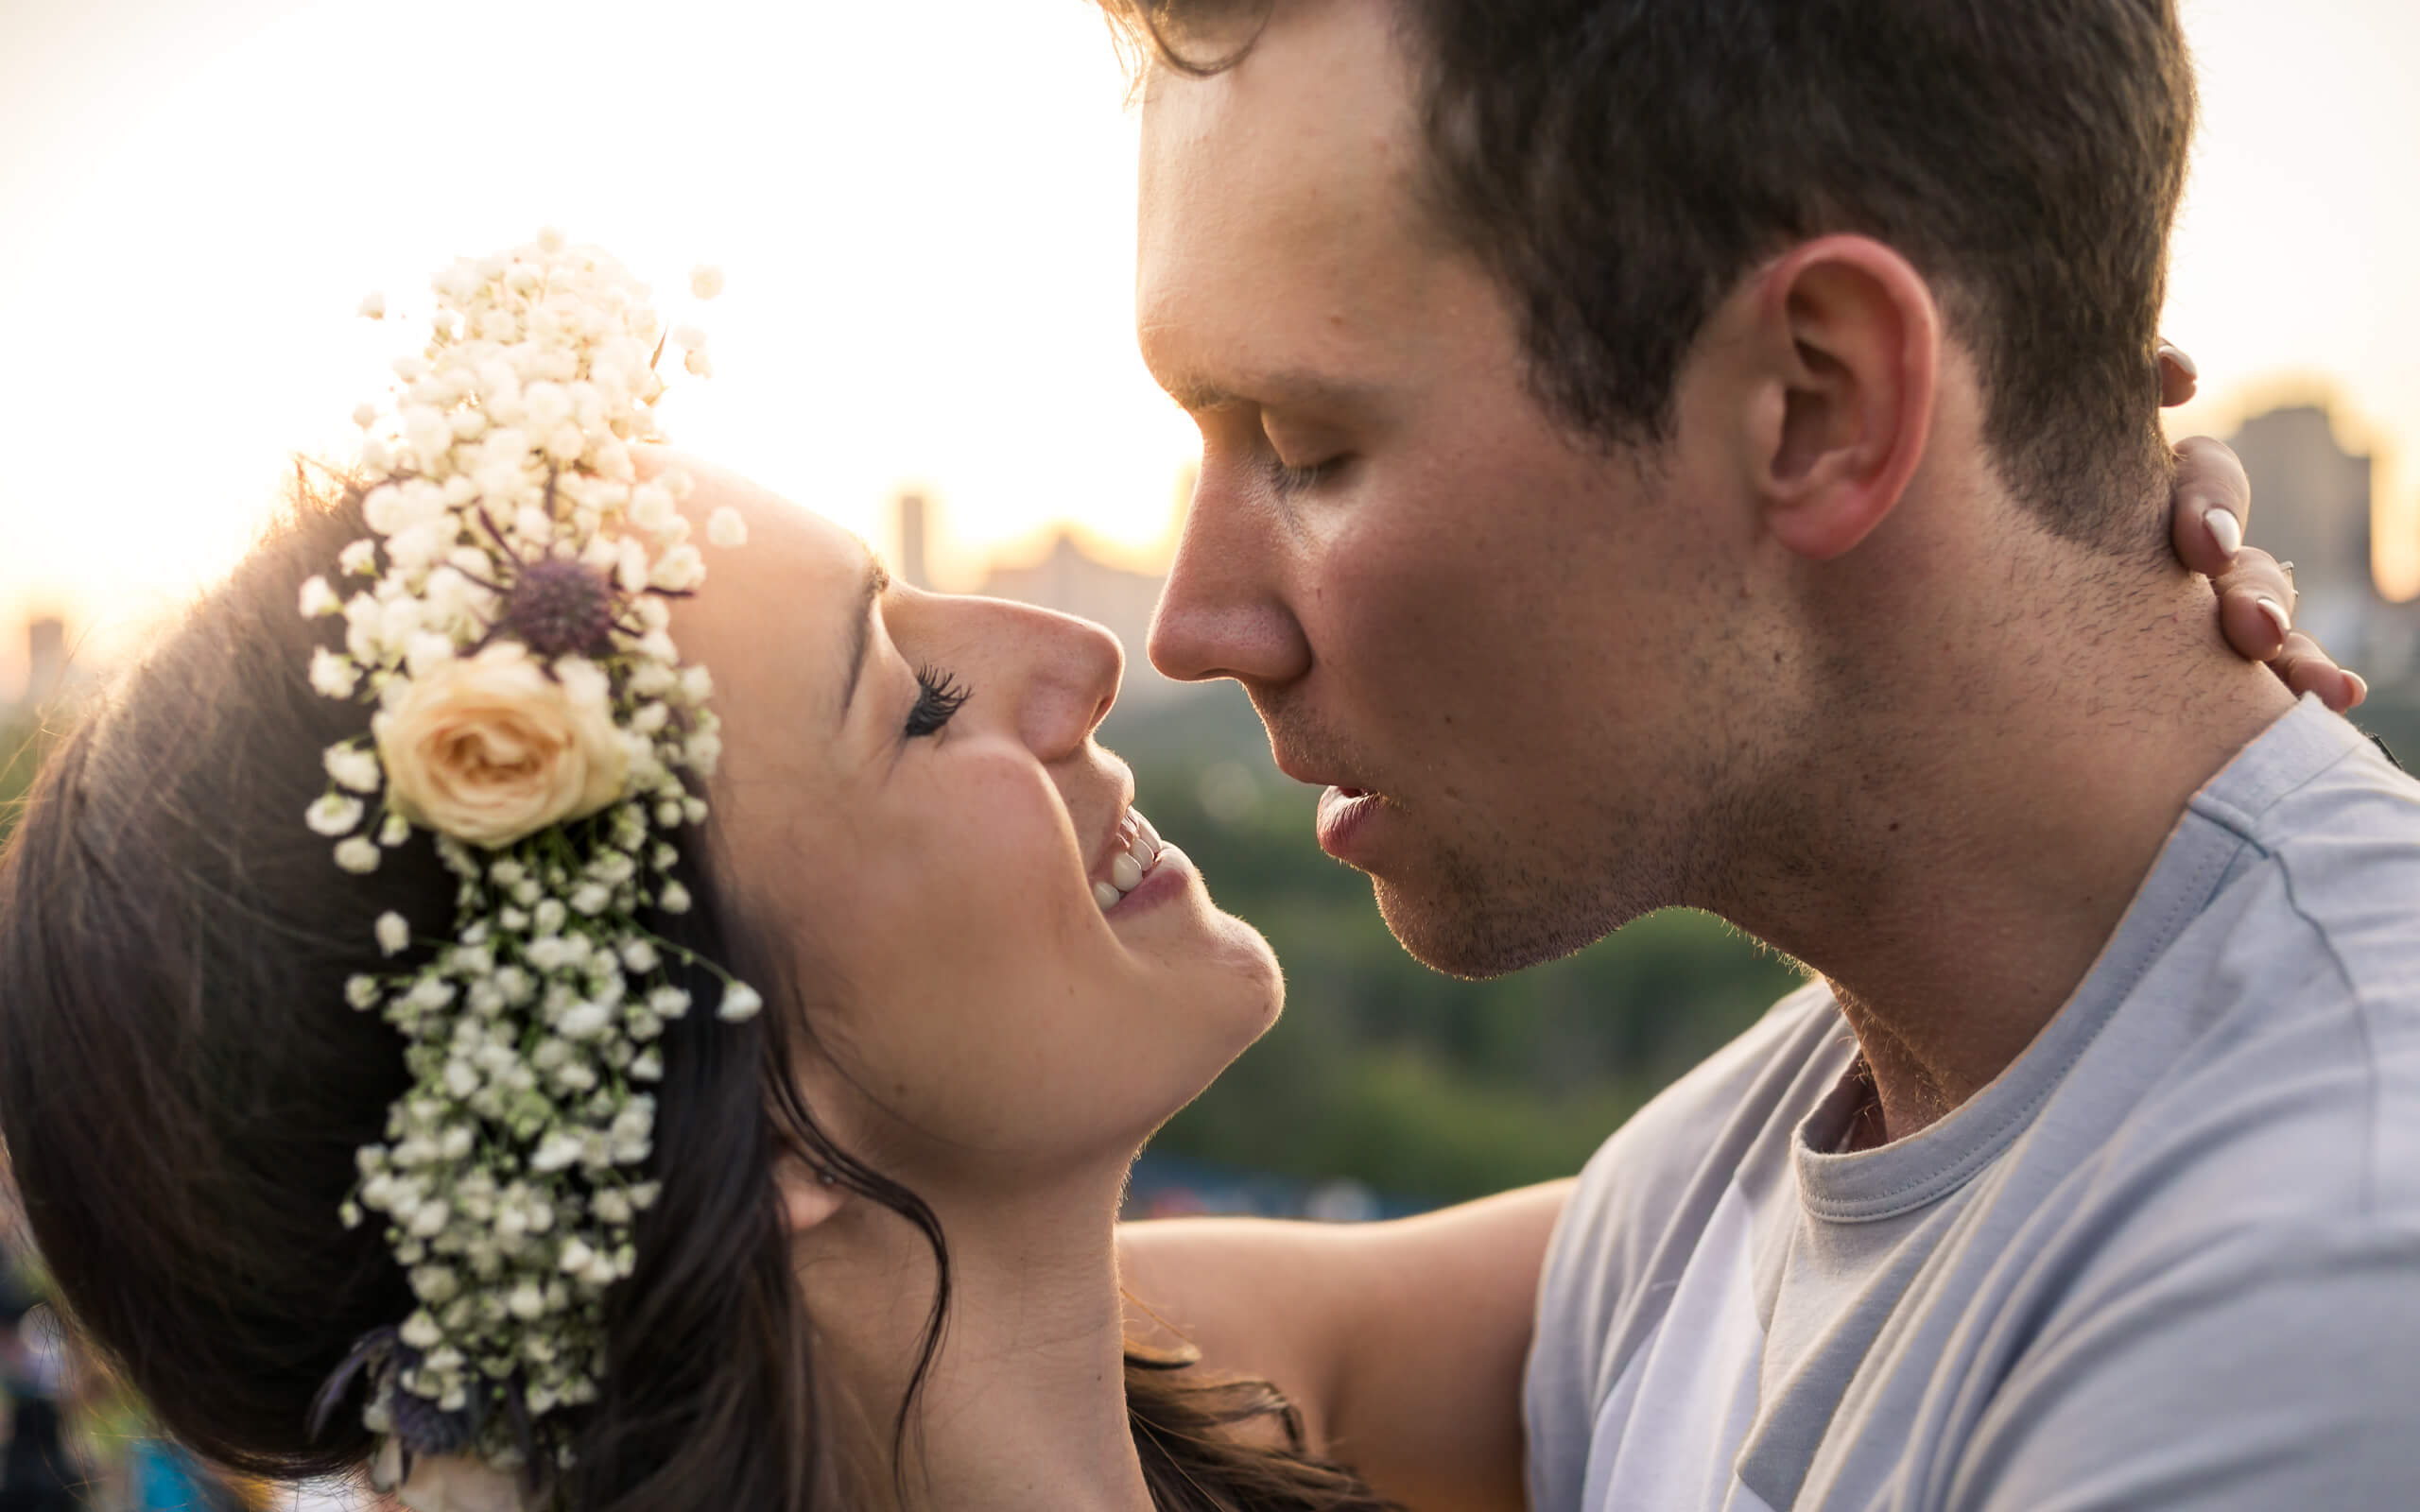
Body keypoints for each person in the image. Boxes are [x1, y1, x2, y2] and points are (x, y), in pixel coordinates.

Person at [1086, 1, 2420, 1508]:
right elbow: (1049, 1370)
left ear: (1820, 405)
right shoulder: (1734, 1178)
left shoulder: (2317, 1282)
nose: (1194, 627)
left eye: (1304, 443)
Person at [0, 240, 1397, 1512]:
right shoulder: (1291, 1367)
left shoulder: (1216, 1364)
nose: (1088, 664)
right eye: (916, 703)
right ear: (721, 1112)